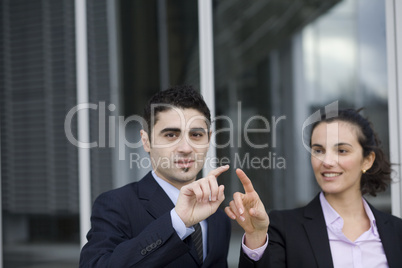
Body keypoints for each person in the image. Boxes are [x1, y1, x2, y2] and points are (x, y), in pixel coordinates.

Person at [225, 108, 402, 268]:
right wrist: (256, 237)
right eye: (318, 150)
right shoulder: (283, 227)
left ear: (367, 160)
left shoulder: (396, 231)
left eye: (342, 151)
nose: (327, 161)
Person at [79, 85, 232, 267]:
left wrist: (256, 242)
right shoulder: (116, 205)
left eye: (196, 135)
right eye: (171, 135)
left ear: (208, 139)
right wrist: (177, 222)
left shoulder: (219, 219)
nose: (185, 148)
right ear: (146, 141)